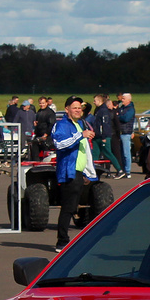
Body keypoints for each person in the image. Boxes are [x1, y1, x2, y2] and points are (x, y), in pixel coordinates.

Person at [52, 96, 98, 252]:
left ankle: (67, 240)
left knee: (74, 207)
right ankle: (62, 242)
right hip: (69, 172)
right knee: (68, 207)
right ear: (67, 109)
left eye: (80, 108)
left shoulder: (80, 124)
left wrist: (88, 171)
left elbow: (84, 151)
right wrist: (80, 135)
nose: (78, 110)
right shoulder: (62, 125)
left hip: (80, 172)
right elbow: (59, 144)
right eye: (75, 107)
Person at [89, 93, 122, 174]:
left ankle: (119, 170)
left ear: (100, 101)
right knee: (95, 153)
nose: (94, 102)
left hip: (103, 136)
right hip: (96, 136)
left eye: (95, 100)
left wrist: (104, 136)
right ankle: (94, 170)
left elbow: (105, 124)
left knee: (108, 153)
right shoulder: (98, 110)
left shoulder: (104, 111)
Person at [116, 92, 136, 178]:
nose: (122, 100)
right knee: (121, 153)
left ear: (128, 100)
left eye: (123, 99)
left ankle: (127, 171)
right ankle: (123, 169)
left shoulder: (130, 109)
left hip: (126, 133)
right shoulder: (122, 107)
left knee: (126, 153)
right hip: (121, 132)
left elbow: (125, 118)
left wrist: (119, 116)